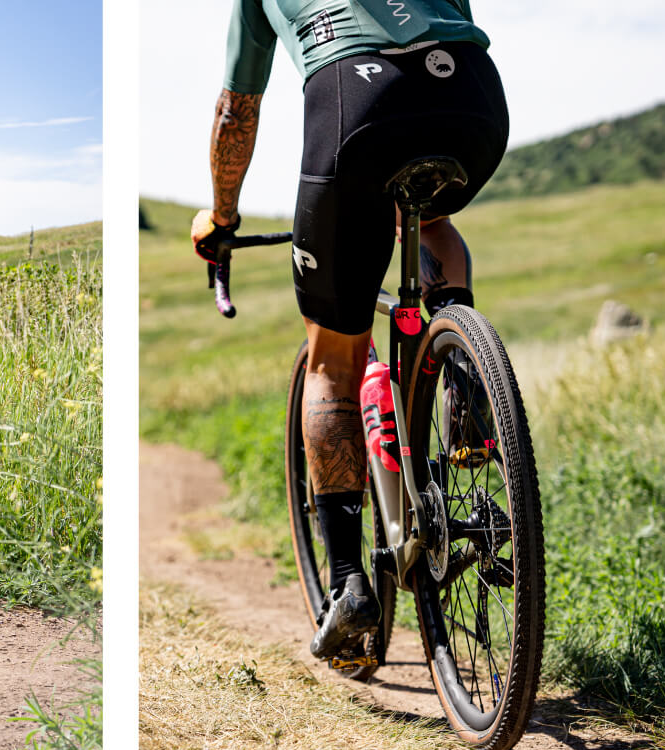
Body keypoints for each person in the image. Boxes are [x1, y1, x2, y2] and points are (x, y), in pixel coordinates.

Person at [190, 0, 506, 662]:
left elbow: (235, 111)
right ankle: (463, 390)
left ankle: (346, 588)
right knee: (431, 219)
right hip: (472, 93)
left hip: (354, 100)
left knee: (333, 355)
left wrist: (221, 216)